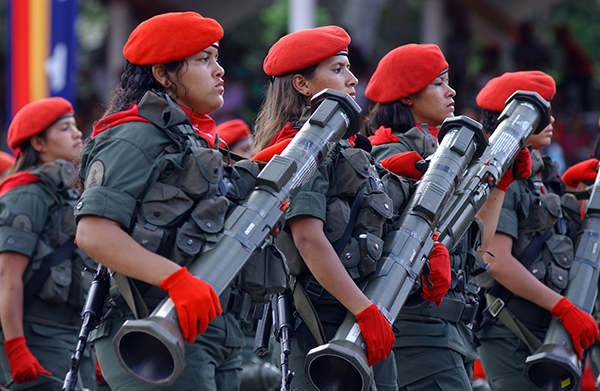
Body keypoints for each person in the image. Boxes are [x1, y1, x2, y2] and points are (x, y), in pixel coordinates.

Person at [253, 26, 452, 391]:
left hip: (364, 316)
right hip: (324, 326)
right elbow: (308, 240)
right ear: (302, 84)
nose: (352, 78)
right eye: (338, 69)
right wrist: (363, 309)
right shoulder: (303, 149)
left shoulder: (347, 148)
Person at [74, 12, 261, 390]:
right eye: (204, 59)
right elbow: (93, 233)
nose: (219, 71)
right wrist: (175, 280)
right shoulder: (135, 135)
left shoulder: (191, 137)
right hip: (151, 328)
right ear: (163, 74)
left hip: (208, 328)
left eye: (217, 58)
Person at [363, 43, 532, 391]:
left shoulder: (440, 153)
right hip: (417, 334)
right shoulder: (388, 154)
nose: (451, 91)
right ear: (408, 95)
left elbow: (480, 251)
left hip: (450, 333)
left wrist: (499, 183)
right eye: (438, 83)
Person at [475, 70, 600, 390]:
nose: (552, 119)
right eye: (540, 112)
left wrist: (576, 193)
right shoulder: (504, 176)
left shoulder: (540, 173)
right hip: (513, 334)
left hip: (547, 332)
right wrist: (563, 307)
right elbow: (495, 259)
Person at [0, 97, 96, 391]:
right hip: (39, 336)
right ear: (39, 143)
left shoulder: (69, 192)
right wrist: (16, 346)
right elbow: (7, 275)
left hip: (73, 335)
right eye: (65, 128)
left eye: (74, 126)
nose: (78, 133)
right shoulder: (27, 193)